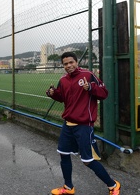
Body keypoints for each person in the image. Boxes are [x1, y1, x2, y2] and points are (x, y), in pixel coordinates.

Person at [46, 52, 120, 195]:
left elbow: (104, 93)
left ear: (76, 62)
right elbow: (62, 97)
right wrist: (53, 93)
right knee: (63, 154)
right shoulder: (63, 80)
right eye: (65, 64)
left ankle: (113, 185)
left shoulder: (88, 75)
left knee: (88, 161)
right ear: (63, 65)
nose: (69, 66)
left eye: (71, 62)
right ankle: (68, 188)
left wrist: (91, 88)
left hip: (84, 125)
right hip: (68, 124)